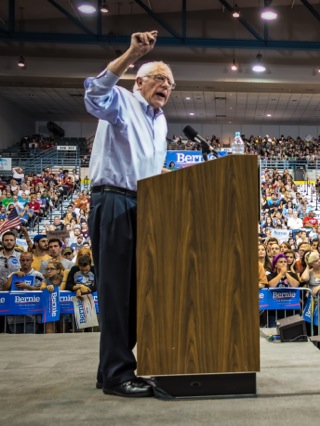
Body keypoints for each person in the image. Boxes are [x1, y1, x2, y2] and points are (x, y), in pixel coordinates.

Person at [84, 30, 171, 398]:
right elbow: (93, 93)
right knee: (117, 292)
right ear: (140, 81)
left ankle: (113, 368)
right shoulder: (120, 99)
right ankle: (118, 375)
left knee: (139, 292)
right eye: (159, 78)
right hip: (114, 201)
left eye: (170, 82)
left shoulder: (161, 121)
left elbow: (146, 167)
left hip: (143, 204)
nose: (166, 85)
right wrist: (132, 53)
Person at [3, 251, 45, 334]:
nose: (25, 262)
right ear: (19, 260)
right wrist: (13, 275)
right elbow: (5, 288)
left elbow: (42, 290)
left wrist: (27, 287)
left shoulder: (38, 275)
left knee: (29, 342)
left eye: (27, 260)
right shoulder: (13, 274)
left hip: (31, 316)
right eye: (23, 260)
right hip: (14, 316)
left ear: (32, 260)